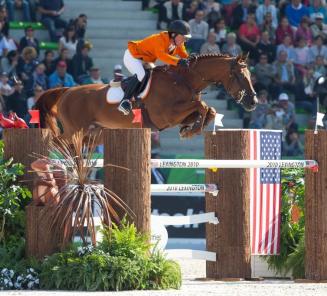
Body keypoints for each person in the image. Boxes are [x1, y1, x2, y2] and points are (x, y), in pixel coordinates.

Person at [117, 20, 190, 115]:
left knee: (155, 76)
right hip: (132, 56)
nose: (184, 40)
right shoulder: (159, 39)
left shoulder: (178, 44)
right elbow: (161, 56)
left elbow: (185, 55)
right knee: (141, 74)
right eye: (183, 37)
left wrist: (193, 59)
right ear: (173, 35)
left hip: (145, 60)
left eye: (185, 38)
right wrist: (178, 61)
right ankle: (124, 101)